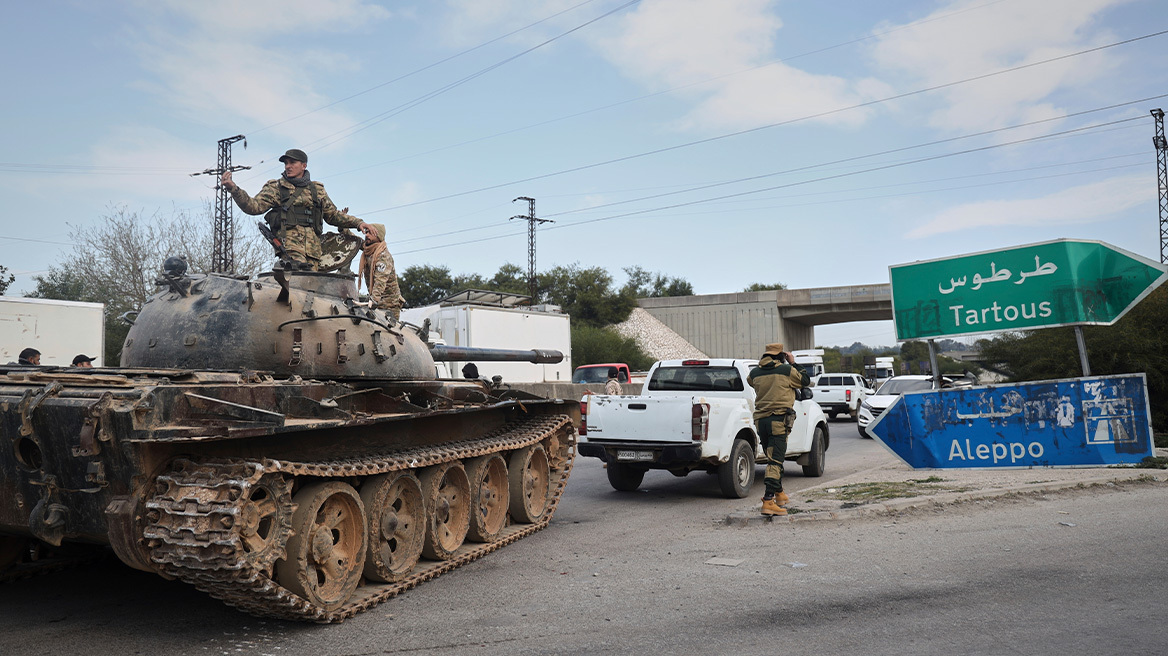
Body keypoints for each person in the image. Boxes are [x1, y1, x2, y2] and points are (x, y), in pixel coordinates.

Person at [221, 148, 371, 270]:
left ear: (304, 165)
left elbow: (332, 215)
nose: (288, 166)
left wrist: (358, 223)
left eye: (292, 162)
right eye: (286, 163)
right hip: (290, 250)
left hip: (314, 252)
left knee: (311, 291)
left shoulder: (316, 190)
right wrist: (234, 189)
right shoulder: (276, 188)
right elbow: (253, 207)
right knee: (296, 287)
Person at [747, 342, 810, 517]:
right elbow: (805, 381)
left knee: (772, 455)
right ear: (781, 356)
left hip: (761, 421)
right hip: (778, 420)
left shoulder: (754, 373)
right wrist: (793, 362)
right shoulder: (786, 370)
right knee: (776, 460)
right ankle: (768, 501)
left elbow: (751, 383)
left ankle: (779, 494)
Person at [357, 223, 404, 322]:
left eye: (370, 233)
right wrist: (343, 229)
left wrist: (373, 300)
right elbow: (354, 240)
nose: (366, 235)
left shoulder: (383, 256)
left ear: (378, 236)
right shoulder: (369, 249)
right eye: (366, 232)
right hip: (376, 303)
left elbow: (380, 281)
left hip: (389, 305)